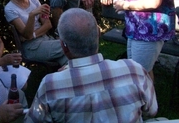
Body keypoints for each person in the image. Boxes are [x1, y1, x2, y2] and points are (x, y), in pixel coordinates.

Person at [24, 8, 158, 123]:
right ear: (98, 35)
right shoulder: (134, 70)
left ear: (64, 47)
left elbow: (34, 120)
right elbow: (151, 111)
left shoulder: (51, 85)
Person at [4, 0, 68, 67]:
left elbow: (48, 24)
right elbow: (27, 34)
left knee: (68, 58)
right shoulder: (10, 9)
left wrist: (33, 35)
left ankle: (67, 76)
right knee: (69, 45)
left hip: (46, 40)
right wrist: (32, 15)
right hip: (32, 48)